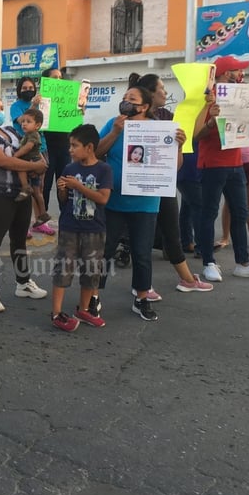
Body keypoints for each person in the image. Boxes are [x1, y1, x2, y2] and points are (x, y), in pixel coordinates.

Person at [194, 57, 249, 283]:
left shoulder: (242, 95)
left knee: (240, 212)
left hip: (235, 162)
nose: (241, 74)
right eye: (237, 70)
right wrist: (210, 120)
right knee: (209, 213)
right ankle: (209, 262)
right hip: (213, 164)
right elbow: (196, 135)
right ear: (226, 73)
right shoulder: (209, 96)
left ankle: (243, 263)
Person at [134, 72, 213, 296]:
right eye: (161, 87)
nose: (165, 92)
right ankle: (141, 286)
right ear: (150, 93)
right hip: (138, 187)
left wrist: (179, 145)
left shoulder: (167, 117)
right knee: (142, 236)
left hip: (163, 184)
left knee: (172, 231)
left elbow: (175, 161)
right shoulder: (129, 122)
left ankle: (186, 278)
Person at [0, 95, 49, 313]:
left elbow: (31, 145)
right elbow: (4, 161)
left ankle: (23, 283)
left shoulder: (9, 131)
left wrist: (40, 163)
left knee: (19, 241)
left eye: (1, 107)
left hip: (21, 194)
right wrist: (33, 166)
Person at [93, 85, 162, 321]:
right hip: (113, 201)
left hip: (146, 203)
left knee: (142, 253)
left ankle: (142, 298)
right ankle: (93, 295)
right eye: (124, 98)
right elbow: (96, 153)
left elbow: (174, 166)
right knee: (105, 250)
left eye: (131, 99)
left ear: (144, 106)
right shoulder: (115, 123)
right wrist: (114, 132)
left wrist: (179, 147)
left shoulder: (158, 128)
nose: (125, 102)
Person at [50, 124, 112, 332]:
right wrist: (62, 190)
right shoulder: (70, 168)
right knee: (63, 269)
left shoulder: (103, 169)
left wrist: (79, 187)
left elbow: (103, 198)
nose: (70, 150)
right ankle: (56, 312)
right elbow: (64, 200)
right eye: (70, 145)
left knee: (91, 270)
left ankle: (83, 309)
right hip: (69, 227)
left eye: (74, 145)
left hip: (94, 228)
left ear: (89, 147)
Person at [10, 77, 52, 233]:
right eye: (24, 88)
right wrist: (34, 105)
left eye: (31, 87)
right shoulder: (16, 106)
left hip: (41, 151)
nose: (28, 90)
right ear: (19, 90)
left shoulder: (44, 104)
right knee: (23, 189)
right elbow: (21, 120)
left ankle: (40, 220)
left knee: (37, 189)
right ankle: (24, 225)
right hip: (25, 152)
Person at [40, 68, 70, 214]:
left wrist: (79, 111)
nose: (58, 80)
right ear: (46, 81)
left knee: (64, 184)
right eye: (54, 77)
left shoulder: (68, 100)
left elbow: (74, 123)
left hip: (64, 148)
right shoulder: (41, 101)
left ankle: (65, 215)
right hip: (47, 148)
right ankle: (42, 216)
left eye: (60, 77)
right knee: (45, 185)